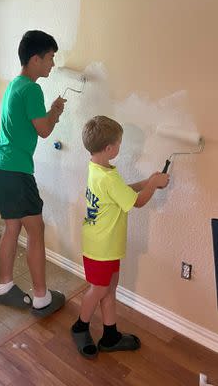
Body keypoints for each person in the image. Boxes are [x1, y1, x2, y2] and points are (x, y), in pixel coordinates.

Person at [71, 115, 169, 358]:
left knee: (109, 287)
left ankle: (110, 335)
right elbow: (137, 202)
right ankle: (80, 326)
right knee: (99, 289)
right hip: (100, 247)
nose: (120, 147)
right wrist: (154, 185)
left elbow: (122, 192)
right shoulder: (108, 176)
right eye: (119, 143)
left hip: (105, 244)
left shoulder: (98, 167)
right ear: (109, 148)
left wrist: (147, 181)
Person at [0, 30, 67, 317]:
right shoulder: (32, 89)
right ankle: (41, 298)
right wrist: (56, 112)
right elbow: (44, 130)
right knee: (36, 229)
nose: (52, 64)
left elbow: (31, 124)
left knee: (12, 227)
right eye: (50, 58)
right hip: (16, 170)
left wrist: (51, 111)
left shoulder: (15, 85)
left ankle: (4, 288)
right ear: (35, 59)